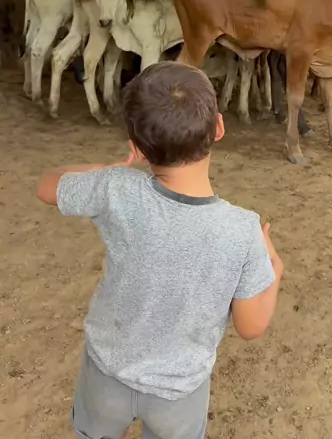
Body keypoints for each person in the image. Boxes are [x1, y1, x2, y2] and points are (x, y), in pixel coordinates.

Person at [36, 61, 284, 439]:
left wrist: (107, 170)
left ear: (137, 147)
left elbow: (47, 186)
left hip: (106, 374)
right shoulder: (242, 230)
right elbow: (252, 326)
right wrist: (274, 271)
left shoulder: (115, 188)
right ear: (219, 128)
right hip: (179, 395)